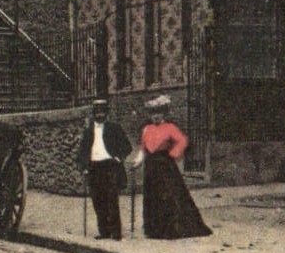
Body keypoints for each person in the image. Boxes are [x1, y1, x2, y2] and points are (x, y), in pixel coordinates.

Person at [133, 95, 211, 239]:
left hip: (165, 165)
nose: (156, 116)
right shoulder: (147, 129)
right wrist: (137, 162)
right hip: (151, 166)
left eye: (159, 113)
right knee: (153, 196)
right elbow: (143, 148)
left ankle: (172, 229)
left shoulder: (170, 128)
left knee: (169, 194)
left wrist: (172, 154)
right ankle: (155, 229)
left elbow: (182, 141)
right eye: (153, 113)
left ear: (164, 114)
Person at [76, 97, 132, 239]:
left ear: (106, 113)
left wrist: (118, 158)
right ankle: (104, 232)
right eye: (97, 112)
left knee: (111, 199)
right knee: (97, 200)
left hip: (110, 166)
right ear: (93, 114)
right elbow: (82, 151)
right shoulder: (88, 131)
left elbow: (127, 146)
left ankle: (116, 232)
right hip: (94, 168)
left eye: (102, 112)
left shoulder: (114, 128)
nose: (99, 115)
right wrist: (83, 166)